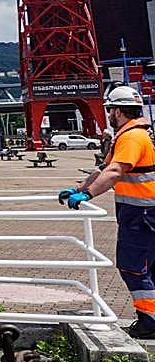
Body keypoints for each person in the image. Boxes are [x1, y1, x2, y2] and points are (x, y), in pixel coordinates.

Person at [58, 85, 155, 338]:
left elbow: (115, 171)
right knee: (147, 267)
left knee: (134, 268)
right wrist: (78, 188)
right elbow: (104, 169)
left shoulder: (132, 138)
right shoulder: (131, 135)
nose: (109, 115)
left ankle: (150, 322)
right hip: (141, 213)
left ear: (118, 111)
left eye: (110, 110)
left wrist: (88, 195)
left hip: (142, 215)